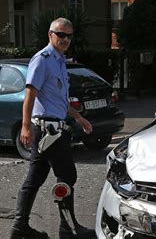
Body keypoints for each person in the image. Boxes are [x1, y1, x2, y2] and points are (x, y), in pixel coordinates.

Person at [10, 18, 95, 238]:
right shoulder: (43, 59)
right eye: (61, 35)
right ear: (50, 34)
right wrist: (25, 127)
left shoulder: (59, 61)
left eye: (69, 36)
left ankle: (20, 228)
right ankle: (68, 228)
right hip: (48, 130)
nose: (65, 39)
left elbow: (60, 101)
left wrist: (79, 118)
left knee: (35, 178)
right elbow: (30, 95)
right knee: (67, 174)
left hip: (54, 127)